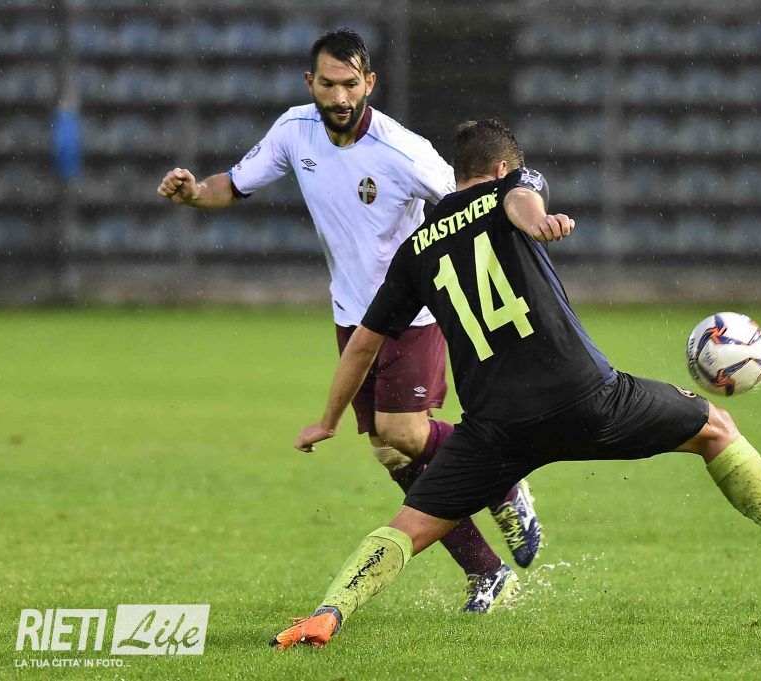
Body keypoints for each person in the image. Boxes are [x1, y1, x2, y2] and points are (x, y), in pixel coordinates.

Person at [269, 118, 761, 650]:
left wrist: (329, 418)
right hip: (587, 399)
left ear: (457, 173)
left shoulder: (415, 251)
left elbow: (364, 344)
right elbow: (521, 202)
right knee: (715, 429)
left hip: (494, 429)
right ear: (503, 166)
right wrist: (538, 221)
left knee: (408, 527)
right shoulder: (511, 186)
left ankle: (328, 613)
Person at [155, 30, 541, 612]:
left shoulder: (404, 152)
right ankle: (486, 572)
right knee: (391, 451)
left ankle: (505, 480)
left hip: (412, 311)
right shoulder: (294, 131)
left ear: (369, 84)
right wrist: (191, 194)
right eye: (328, 84)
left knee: (404, 431)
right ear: (310, 82)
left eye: (350, 84)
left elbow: (472, 205)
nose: (339, 97)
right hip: (351, 312)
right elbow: (231, 186)